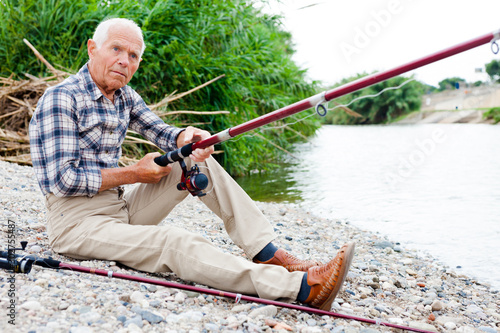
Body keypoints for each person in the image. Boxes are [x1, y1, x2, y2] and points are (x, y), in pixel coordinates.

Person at [29, 17, 354, 311]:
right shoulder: (62, 98)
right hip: (75, 224)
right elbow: (61, 180)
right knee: (174, 241)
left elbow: (162, 132)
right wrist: (134, 173)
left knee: (198, 162)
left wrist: (187, 137)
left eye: (133, 56)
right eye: (116, 49)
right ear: (92, 49)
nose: (124, 61)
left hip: (120, 210)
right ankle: (300, 288)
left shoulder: (125, 96)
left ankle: (267, 252)